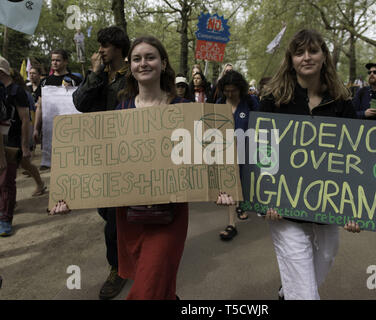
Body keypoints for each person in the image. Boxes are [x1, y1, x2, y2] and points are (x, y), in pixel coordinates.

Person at [50, 35, 236, 299]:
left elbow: (208, 157)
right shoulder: (120, 109)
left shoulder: (184, 108)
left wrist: (221, 187)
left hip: (169, 215)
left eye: (150, 57)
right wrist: (68, 194)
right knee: (156, 282)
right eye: (137, 59)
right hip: (130, 216)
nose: (143, 63)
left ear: (163, 63)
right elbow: (100, 160)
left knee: (147, 288)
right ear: (130, 65)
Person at [259, 29, 361, 300]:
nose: (306, 57)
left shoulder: (341, 102)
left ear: (324, 56)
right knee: (304, 291)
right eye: (299, 52)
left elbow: (355, 156)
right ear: (290, 59)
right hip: (284, 206)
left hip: (328, 202)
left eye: (313, 51)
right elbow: (262, 151)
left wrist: (357, 208)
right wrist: (266, 198)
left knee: (326, 254)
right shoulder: (273, 100)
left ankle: (288, 290)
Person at [72, 25, 130, 300]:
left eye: (104, 46)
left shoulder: (130, 77)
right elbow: (79, 103)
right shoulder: (97, 75)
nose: (99, 51)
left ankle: (117, 268)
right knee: (107, 212)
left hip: (127, 155)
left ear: (117, 47)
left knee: (115, 219)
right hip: (100, 155)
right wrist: (94, 73)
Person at [216, 70, 260, 240]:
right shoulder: (219, 103)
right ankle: (231, 223)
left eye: (233, 90)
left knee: (245, 182)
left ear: (240, 88)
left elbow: (262, 123)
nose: (229, 93)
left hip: (248, 151)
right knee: (230, 185)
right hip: (226, 152)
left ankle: (243, 205)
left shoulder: (250, 102)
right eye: (226, 90)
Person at [33, 49, 82, 171]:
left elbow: (83, 104)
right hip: (50, 130)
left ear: (65, 62)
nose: (54, 63)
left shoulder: (75, 80)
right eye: (53, 60)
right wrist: (36, 128)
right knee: (52, 166)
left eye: (58, 60)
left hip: (72, 129)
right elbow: (40, 106)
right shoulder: (44, 82)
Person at [0, 57, 32, 237]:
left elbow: (25, 119)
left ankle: (5, 219)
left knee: (6, 183)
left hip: (11, 142)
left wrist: (25, 146)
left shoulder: (16, 91)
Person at [10, 69, 46, 197]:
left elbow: (29, 114)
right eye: (29, 73)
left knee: (24, 162)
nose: (31, 75)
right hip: (7, 134)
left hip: (19, 132)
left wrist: (27, 141)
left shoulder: (21, 92)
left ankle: (40, 183)